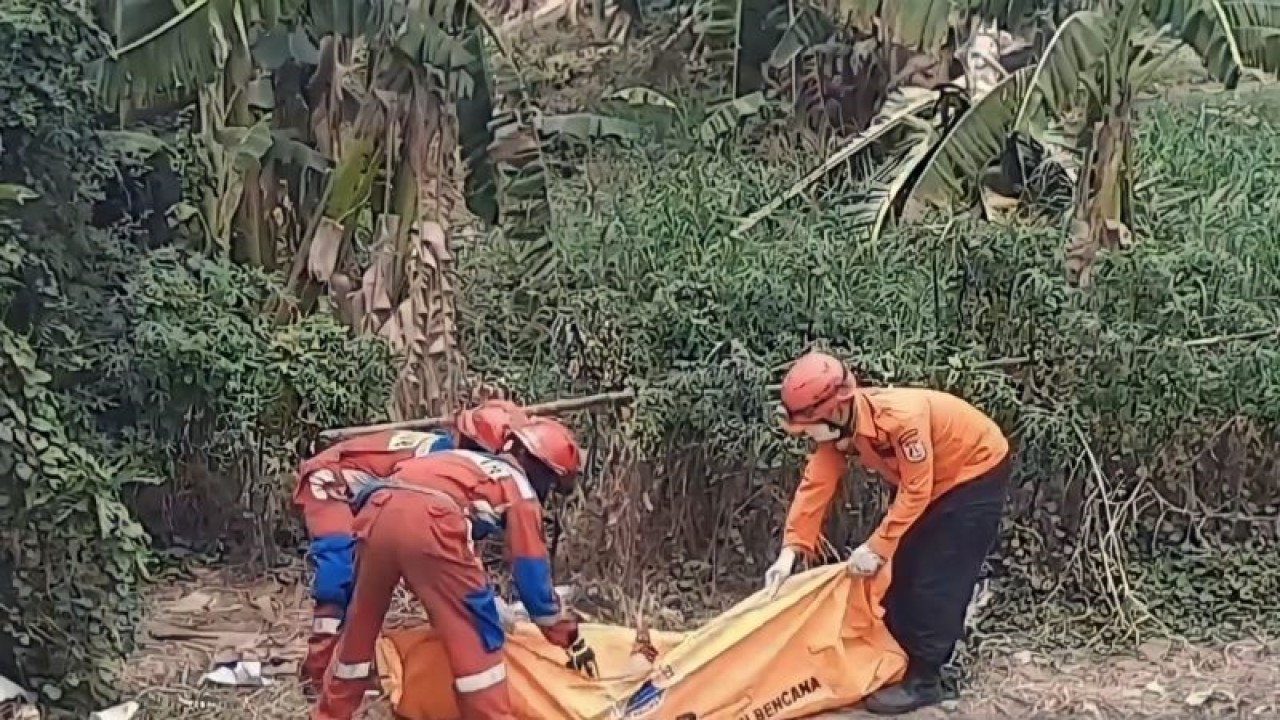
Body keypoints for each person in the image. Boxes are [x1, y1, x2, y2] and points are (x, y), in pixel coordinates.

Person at [763, 351, 1010, 715]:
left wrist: (876, 547)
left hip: (973, 472)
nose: (805, 435)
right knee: (902, 570)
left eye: (807, 426)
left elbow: (915, 491)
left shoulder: (901, 419)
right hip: (928, 482)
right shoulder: (843, 430)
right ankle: (895, 661)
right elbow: (816, 485)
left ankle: (926, 680)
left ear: (833, 411)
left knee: (935, 577)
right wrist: (790, 553)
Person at [311, 417, 597, 720]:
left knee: (360, 626)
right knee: (475, 633)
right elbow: (533, 583)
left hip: (378, 509)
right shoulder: (519, 489)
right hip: (433, 521)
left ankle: (329, 714)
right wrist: (568, 637)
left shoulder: (459, 459)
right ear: (545, 473)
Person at [294, 400, 528, 689]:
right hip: (331, 480)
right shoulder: (446, 464)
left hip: (378, 498)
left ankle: (346, 666)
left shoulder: (457, 462)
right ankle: (318, 672)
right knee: (337, 575)